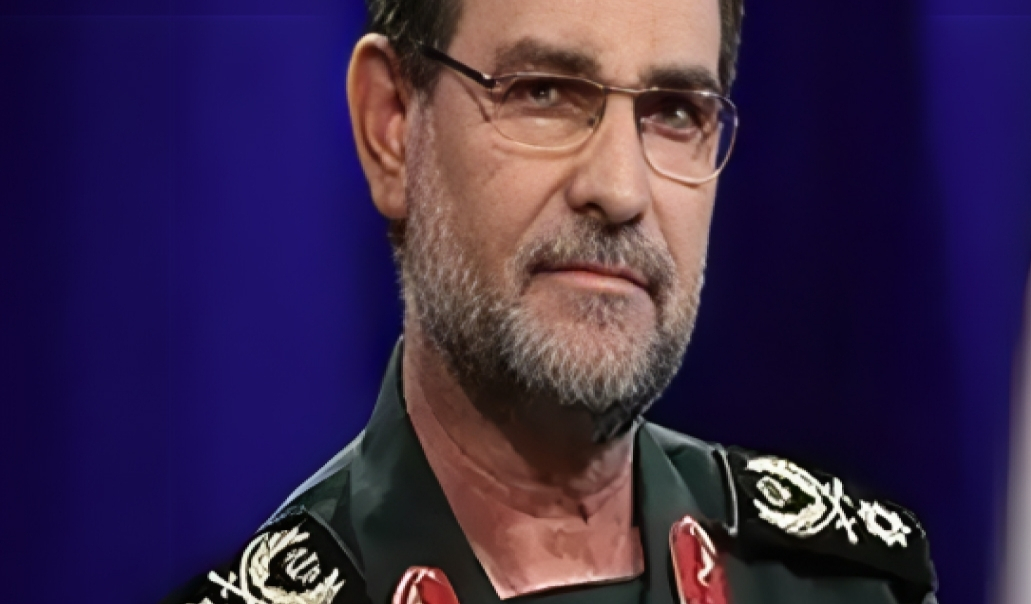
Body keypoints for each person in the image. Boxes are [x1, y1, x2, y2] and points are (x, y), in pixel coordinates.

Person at [164, 0, 938, 602]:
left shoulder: (847, 587)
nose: (620, 189)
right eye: (544, 92)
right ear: (392, 126)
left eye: (675, 111)